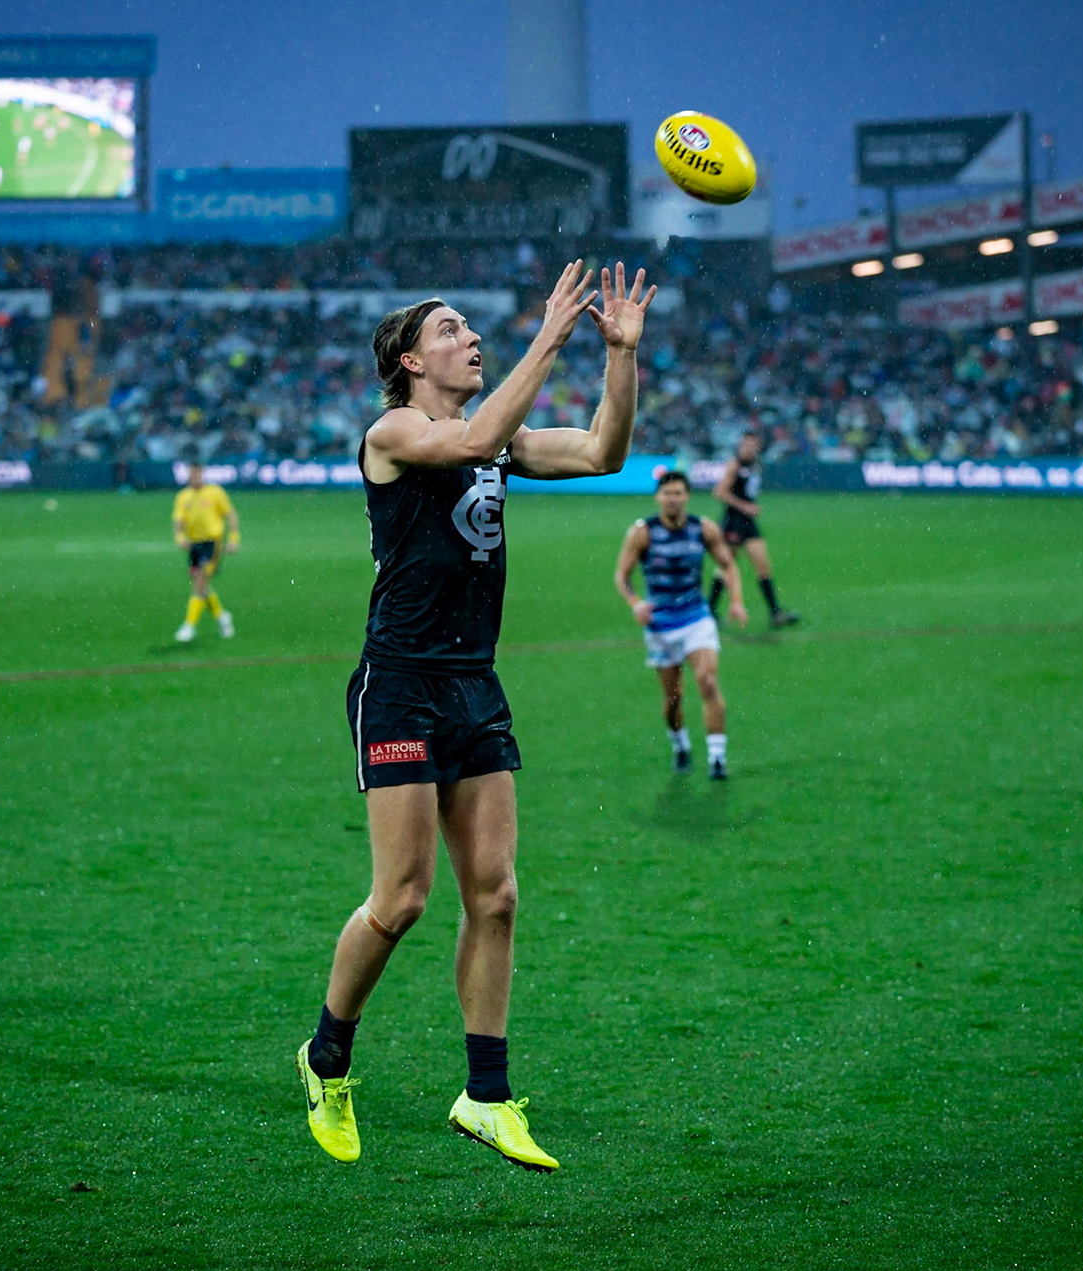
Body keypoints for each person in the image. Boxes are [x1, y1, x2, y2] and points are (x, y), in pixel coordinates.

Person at [297, 260, 655, 1172]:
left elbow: (604, 454)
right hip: (403, 684)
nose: (470, 339)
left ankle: (485, 1097)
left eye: (470, 329)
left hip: (473, 687)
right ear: (411, 362)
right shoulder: (394, 430)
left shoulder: (498, 437)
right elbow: (466, 445)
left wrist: (620, 357)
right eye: (451, 331)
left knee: (495, 895)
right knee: (404, 899)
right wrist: (549, 336)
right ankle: (328, 1054)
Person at [614, 470, 747, 780]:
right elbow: (622, 576)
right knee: (673, 698)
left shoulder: (704, 529)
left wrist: (737, 599)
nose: (673, 499)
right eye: (667, 493)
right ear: (658, 497)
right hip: (661, 626)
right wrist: (635, 603)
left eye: (678, 493)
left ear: (687, 496)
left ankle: (717, 757)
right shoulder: (643, 532)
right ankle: (681, 745)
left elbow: (727, 564)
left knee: (708, 681)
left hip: (696, 618)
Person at [710, 430, 801, 628]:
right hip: (733, 522)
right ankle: (710, 610)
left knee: (763, 566)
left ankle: (775, 612)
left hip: (748, 524)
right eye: (746, 445)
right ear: (740, 446)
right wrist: (745, 506)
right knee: (726, 567)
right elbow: (719, 492)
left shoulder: (755, 465)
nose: (749, 448)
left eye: (752, 445)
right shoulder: (735, 465)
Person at [172, 462, 241, 642]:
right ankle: (222, 616)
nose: (194, 478)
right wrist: (179, 536)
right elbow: (178, 519)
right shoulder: (183, 496)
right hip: (195, 544)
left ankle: (189, 625)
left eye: (197, 474)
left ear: (202, 475)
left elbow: (231, 515)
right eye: (191, 475)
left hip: (212, 543)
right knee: (200, 585)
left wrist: (234, 539)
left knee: (200, 582)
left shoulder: (215, 492)